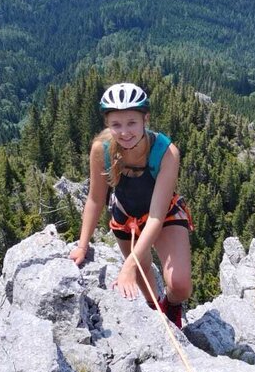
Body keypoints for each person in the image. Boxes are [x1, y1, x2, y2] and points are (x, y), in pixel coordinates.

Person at [69, 83, 193, 327]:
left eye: (131, 123)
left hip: (164, 214)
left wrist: (127, 265)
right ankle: (157, 311)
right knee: (143, 274)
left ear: (145, 119)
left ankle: (171, 305)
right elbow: (95, 198)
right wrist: (82, 246)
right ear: (107, 124)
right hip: (127, 217)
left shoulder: (166, 152)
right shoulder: (101, 150)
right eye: (116, 124)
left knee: (180, 285)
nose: (124, 132)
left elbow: (157, 217)